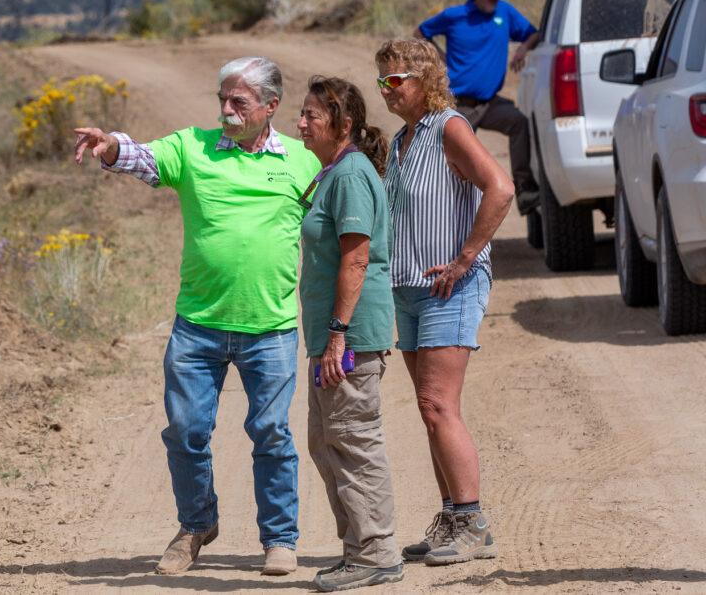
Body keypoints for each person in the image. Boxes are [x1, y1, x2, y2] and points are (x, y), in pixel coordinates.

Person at [73, 56, 321, 577]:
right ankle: (195, 526)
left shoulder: (303, 162)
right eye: (223, 101)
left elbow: (340, 229)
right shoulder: (192, 147)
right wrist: (111, 146)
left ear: (271, 107)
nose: (227, 111)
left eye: (240, 103)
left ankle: (279, 539)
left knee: (272, 433)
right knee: (186, 432)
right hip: (198, 323)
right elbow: (142, 157)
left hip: (271, 328)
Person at [376, 39, 514, 566]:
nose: (387, 90)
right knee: (428, 409)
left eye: (395, 80)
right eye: (381, 81)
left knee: (439, 406)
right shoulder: (404, 138)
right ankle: (452, 517)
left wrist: (465, 258)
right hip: (410, 287)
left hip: (450, 286)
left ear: (424, 78)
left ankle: (473, 524)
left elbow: (498, 188)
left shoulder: (448, 127)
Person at [296, 76, 404, 590]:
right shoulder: (333, 172)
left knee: (354, 440)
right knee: (326, 441)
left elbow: (357, 258)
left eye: (311, 115)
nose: (301, 123)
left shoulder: (351, 175)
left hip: (350, 337)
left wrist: (338, 333)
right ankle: (357, 547)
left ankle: (377, 552)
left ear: (342, 124)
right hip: (330, 337)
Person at [414, 0, 540, 213]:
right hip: (459, 105)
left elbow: (533, 33)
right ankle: (437, 207)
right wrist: (440, 56)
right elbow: (420, 33)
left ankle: (524, 191)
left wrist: (523, 49)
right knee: (449, 159)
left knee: (519, 123)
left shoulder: (505, 13)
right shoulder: (455, 16)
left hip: (490, 103)